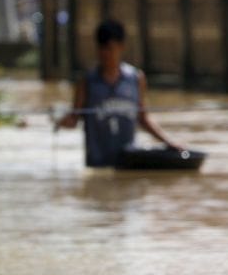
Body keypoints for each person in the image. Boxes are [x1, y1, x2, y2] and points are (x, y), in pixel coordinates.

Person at [57, 19, 185, 167]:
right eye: (102, 48)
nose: (105, 53)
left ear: (121, 47)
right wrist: (57, 121)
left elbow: (143, 119)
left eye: (110, 48)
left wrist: (169, 142)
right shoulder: (86, 82)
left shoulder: (136, 79)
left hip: (128, 164)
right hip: (98, 165)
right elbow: (73, 119)